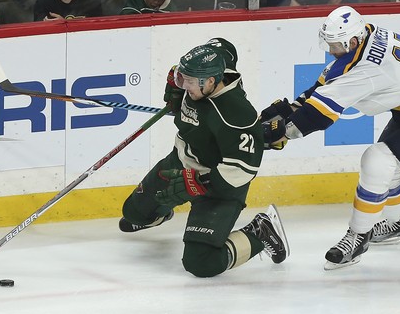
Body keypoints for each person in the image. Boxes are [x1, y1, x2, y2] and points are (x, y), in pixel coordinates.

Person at [261, 6, 400, 270]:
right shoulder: (366, 36)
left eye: (334, 45)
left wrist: (280, 133)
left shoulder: (369, 70)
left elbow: (318, 116)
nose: (331, 50)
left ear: (352, 41)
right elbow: (327, 84)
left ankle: (358, 236)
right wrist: (292, 107)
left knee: (377, 160)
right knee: (391, 162)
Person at [119, 40, 290, 278]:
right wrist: (180, 82)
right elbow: (223, 45)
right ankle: (161, 211)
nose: (183, 86)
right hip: (179, 164)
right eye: (183, 79)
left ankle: (259, 231)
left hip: (219, 188)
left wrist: (199, 183)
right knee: (133, 213)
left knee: (201, 263)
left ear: (211, 81)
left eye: (188, 82)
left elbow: (243, 169)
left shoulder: (236, 113)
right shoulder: (216, 64)